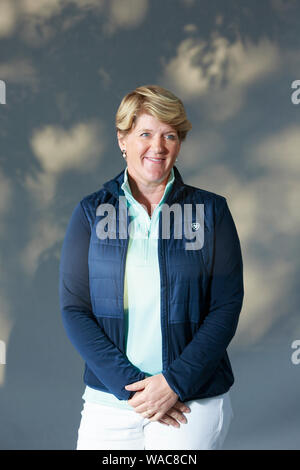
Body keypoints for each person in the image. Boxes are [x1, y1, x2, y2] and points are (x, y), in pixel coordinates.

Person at [59, 84, 244, 450]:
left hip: (190, 402)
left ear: (179, 142)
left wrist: (174, 383)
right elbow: (75, 309)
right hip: (110, 401)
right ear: (122, 139)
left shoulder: (211, 212)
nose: (157, 147)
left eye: (169, 135)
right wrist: (133, 389)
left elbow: (226, 306)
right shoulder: (90, 213)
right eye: (145, 133)